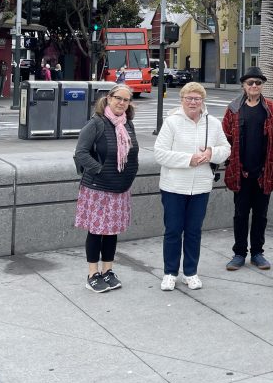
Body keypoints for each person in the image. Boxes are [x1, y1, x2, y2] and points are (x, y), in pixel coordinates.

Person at [154, 82, 231, 291]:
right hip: (173, 186)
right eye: (189, 98)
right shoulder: (171, 123)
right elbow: (159, 153)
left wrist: (211, 154)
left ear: (203, 101)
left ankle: (190, 272)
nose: (193, 102)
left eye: (197, 98)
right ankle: (170, 272)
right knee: (173, 230)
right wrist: (189, 159)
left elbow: (226, 149)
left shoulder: (213, 123)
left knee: (194, 231)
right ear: (182, 100)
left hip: (200, 187)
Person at [73, 84, 140, 293]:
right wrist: (100, 169)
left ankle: (108, 270)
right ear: (108, 99)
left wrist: (130, 173)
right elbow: (81, 153)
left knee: (112, 232)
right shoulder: (96, 123)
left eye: (126, 100)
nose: (121, 103)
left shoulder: (128, 124)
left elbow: (132, 154)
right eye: (117, 98)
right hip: (98, 188)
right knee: (96, 231)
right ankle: (93, 273)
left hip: (120, 187)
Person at [222, 66, 273, 271]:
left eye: (258, 82)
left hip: (264, 173)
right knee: (240, 214)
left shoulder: (271, 109)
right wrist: (230, 162)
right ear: (243, 85)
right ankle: (239, 253)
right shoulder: (233, 109)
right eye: (250, 82)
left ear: (262, 85)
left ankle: (257, 253)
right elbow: (225, 138)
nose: (254, 86)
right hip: (240, 172)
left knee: (261, 215)